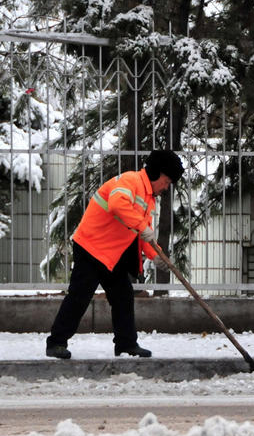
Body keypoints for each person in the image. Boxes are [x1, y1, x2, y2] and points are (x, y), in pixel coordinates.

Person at [46, 150, 184, 359]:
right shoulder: (130, 181)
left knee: (123, 297)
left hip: (111, 254)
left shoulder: (148, 197)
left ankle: (126, 345)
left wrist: (156, 255)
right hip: (91, 247)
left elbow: (141, 233)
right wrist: (141, 226)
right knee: (79, 297)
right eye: (166, 181)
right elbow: (117, 204)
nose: (165, 187)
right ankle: (56, 343)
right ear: (156, 173)